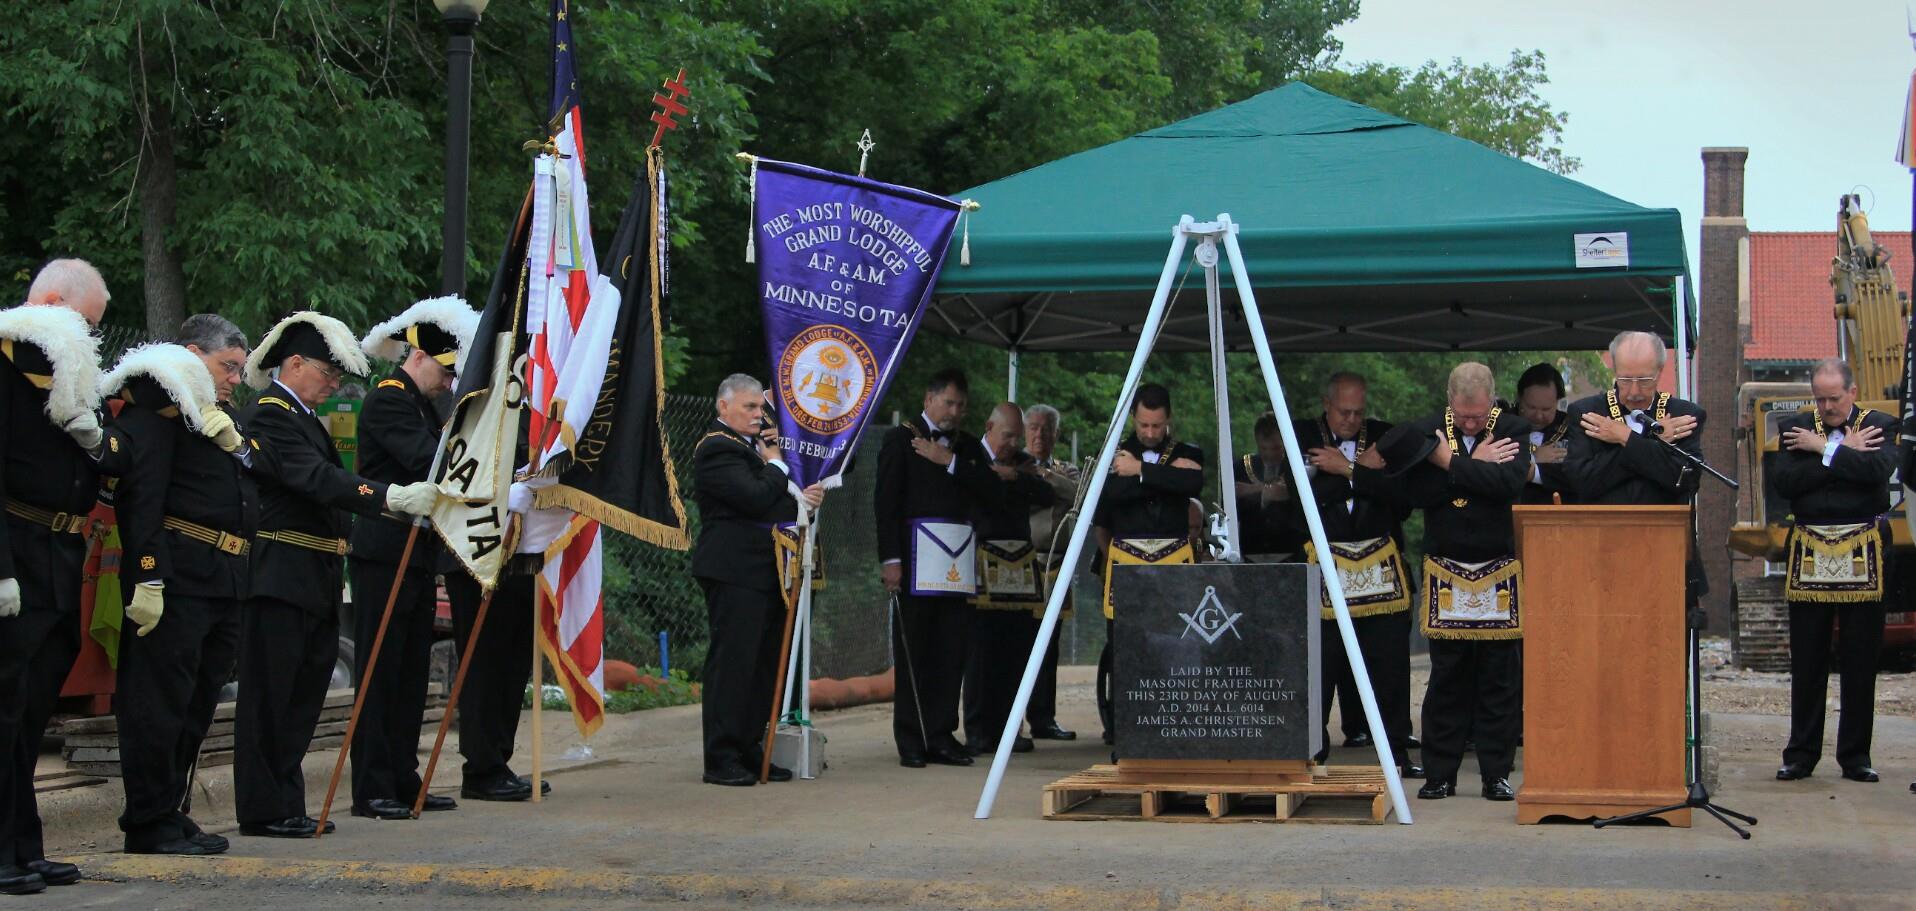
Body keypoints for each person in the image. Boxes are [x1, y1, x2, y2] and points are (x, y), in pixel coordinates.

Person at [233, 312, 439, 839]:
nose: (332, 385)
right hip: (281, 570)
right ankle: (264, 807)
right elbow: (316, 478)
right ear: (294, 364)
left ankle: (285, 802)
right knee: (272, 697)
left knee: (302, 697)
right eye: (327, 373)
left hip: (314, 572)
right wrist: (387, 496)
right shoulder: (271, 414)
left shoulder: (302, 416)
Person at [0, 260, 133, 894]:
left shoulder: (66, 369)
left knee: (30, 713)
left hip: (57, 550)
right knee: (5, 709)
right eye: (87, 323)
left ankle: (23, 845)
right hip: (16, 546)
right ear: (51, 304)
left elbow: (114, 456)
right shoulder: (6, 363)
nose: (91, 336)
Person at [105, 315, 255, 857]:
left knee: (196, 702)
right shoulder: (158, 408)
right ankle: (147, 819)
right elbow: (141, 498)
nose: (235, 379)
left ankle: (170, 808)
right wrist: (147, 573)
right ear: (192, 355)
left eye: (239, 370)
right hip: (177, 577)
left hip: (221, 577)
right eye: (227, 366)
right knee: (158, 702)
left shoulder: (213, 416)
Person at [346, 297, 479, 819]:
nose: (449, 382)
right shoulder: (389, 399)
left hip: (416, 553)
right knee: (381, 670)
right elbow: (427, 461)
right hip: (385, 549)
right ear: (419, 357)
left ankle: (402, 776)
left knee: (409, 673)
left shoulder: (422, 405)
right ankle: (373, 784)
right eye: (445, 371)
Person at [1378, 362, 1531, 801]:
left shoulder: (1512, 429)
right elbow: (1415, 494)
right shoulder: (1426, 431)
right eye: (1463, 416)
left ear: (1491, 401)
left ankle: (1495, 773)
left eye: (1478, 416)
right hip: (1446, 566)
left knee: (1499, 679)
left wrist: (1448, 463)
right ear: (1450, 401)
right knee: (1448, 677)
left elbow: (1507, 485)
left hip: (1497, 567)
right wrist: (1474, 466)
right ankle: (1440, 773)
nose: (1470, 424)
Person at [1769, 358, 1899, 784]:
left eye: (1835, 398)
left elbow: (1875, 472)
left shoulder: (1878, 424)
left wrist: (1821, 449)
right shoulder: (1795, 428)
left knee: (1861, 657)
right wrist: (1843, 453)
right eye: (1820, 398)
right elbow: (1786, 483)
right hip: (1809, 549)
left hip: (1863, 550)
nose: (1827, 407)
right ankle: (1801, 755)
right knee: (1808, 658)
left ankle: (1855, 756)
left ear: (1852, 392)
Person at [691, 374, 823, 786]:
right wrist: (778, 465)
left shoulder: (756, 449)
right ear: (723, 406)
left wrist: (803, 497)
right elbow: (753, 496)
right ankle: (722, 756)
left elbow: (776, 499)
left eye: (759, 407)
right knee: (734, 663)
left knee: (762, 665)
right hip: (734, 569)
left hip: (768, 570)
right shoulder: (717, 447)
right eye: (748, 407)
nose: (756, 414)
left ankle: (749, 746)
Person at [1291, 374, 1419, 777]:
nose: (1351, 420)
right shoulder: (1301, 434)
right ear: (1326, 404)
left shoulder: (1384, 436)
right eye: (1343, 412)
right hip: (1325, 570)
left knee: (1390, 665)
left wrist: (1346, 469)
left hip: (1380, 569)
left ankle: (1397, 752)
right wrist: (1363, 474)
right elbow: (1300, 499)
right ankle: (1313, 753)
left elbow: (1403, 500)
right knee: (1321, 666)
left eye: (1358, 413)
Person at [875, 369, 995, 768]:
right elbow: (886, 503)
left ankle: (941, 733)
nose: (954, 412)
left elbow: (992, 491)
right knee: (915, 649)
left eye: (961, 405)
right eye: (948, 403)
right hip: (914, 560)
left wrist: (950, 461)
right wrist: (890, 559)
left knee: (950, 649)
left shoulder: (969, 448)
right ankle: (911, 737)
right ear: (929, 400)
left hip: (956, 560)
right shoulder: (900, 440)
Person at [1090, 383, 1204, 746]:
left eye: (1157, 425)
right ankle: (1125, 732)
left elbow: (1194, 483)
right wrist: (1166, 479)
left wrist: (1139, 470)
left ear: (1169, 419)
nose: (1151, 433)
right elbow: (1110, 496)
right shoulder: (1114, 452)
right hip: (1128, 567)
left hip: (1174, 566)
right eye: (1143, 425)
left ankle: (1177, 727)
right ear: (1133, 420)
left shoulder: (1188, 452)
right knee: (1127, 652)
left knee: (1178, 647)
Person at [962, 403, 1055, 756]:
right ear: (989, 428)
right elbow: (977, 490)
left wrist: (1014, 477)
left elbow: (1046, 493)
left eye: (1017, 437)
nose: (1013, 444)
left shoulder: (1021, 464)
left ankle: (1008, 728)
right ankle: (977, 730)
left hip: (1019, 569)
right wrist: (997, 479)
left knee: (1014, 653)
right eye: (1008, 436)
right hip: (981, 561)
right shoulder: (968, 455)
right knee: (980, 653)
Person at [1562, 332, 1705, 505]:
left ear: (1659, 372)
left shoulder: (1684, 415)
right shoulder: (1587, 413)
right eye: (1625, 380)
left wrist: (1625, 437)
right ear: (1615, 371)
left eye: (1644, 380)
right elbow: (1580, 483)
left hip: (1663, 521)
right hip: (1602, 521)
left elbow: (1685, 482)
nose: (1634, 391)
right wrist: (1650, 443)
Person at [1021, 404, 1077, 742]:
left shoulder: (1066, 470)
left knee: (1049, 644)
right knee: (1017, 642)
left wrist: (1046, 477)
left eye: (1046, 429)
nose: (1039, 435)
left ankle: (1043, 718)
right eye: (1033, 428)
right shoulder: (1015, 465)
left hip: (1055, 565)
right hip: (1021, 564)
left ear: (1056, 434)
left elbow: (1078, 494)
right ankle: (1010, 720)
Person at [1231, 413, 1299, 562]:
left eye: (1276, 448)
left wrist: (1253, 489)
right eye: (1264, 448)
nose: (1270, 454)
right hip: (1250, 551)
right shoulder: (1241, 467)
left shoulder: (1296, 466)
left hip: (1291, 552)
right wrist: (1267, 493)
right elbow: (1231, 507)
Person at [1514, 363, 1572, 506]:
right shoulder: (1502, 424)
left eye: (1546, 409)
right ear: (1519, 398)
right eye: (1531, 407)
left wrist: (1534, 471)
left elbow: (1577, 474)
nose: (1538, 416)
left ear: (1557, 402)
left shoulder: (1571, 429)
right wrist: (1534, 457)